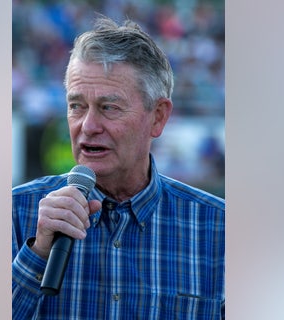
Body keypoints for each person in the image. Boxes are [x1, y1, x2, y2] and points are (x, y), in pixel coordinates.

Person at [12, 16, 225, 319]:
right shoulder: (16, 212)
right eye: (76, 106)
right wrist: (37, 254)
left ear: (158, 117)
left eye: (109, 107)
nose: (88, 126)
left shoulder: (218, 227)